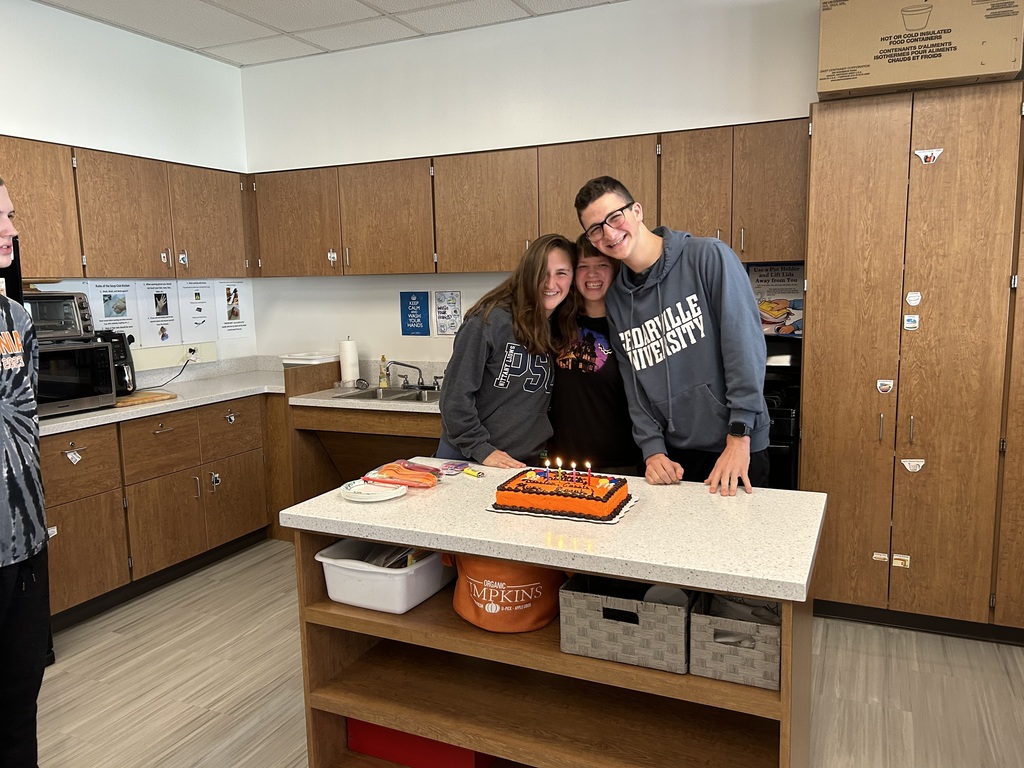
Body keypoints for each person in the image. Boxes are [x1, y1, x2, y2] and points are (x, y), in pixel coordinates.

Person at [574, 176, 770, 495]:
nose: (609, 233)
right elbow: (634, 382)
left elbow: (744, 348)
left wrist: (739, 435)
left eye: (615, 217)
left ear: (636, 211)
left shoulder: (708, 257)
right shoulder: (618, 300)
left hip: (737, 445)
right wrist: (652, 449)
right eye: (596, 228)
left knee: (735, 544)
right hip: (673, 456)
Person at [437, 234, 578, 468]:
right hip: (472, 458)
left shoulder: (558, 326)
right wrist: (482, 450)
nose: (550, 284)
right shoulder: (489, 321)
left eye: (561, 273)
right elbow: (454, 399)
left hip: (523, 461)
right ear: (527, 273)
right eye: (541, 272)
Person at [0, 176, 49, 768]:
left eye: (10, 216)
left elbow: (26, 412)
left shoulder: (18, 319)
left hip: (26, 541)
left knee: (19, 708)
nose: (11, 231)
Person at [548, 235, 642, 475]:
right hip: (561, 463)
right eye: (583, 267)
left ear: (615, 269)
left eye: (601, 265)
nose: (592, 275)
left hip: (622, 462)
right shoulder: (555, 321)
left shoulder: (633, 324)